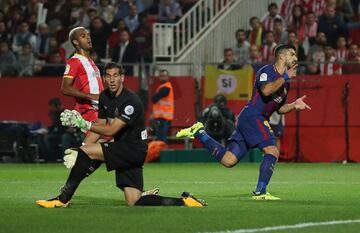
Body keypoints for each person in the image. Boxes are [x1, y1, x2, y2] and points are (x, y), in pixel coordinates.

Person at [35, 62, 206, 208]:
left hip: (133, 149)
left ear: (122, 78)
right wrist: (82, 148)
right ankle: (185, 201)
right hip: (124, 148)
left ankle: (63, 199)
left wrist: (82, 125)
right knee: (134, 200)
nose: (112, 79)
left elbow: (110, 131)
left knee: (89, 152)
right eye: (108, 76)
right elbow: (101, 126)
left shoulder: (131, 101)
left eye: (116, 75)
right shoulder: (104, 97)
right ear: (104, 78)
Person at [176, 44, 311, 200]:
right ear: (281, 56)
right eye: (292, 54)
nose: (296, 57)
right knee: (272, 150)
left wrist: (294, 105)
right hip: (253, 117)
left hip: (253, 120)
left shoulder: (285, 83)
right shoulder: (267, 71)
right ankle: (260, 192)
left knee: (228, 160)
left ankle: (199, 132)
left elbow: (279, 109)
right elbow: (266, 90)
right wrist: (286, 76)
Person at [61, 26, 104, 127]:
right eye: (83, 36)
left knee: (101, 141)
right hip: (89, 111)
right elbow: (65, 88)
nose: (88, 38)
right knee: (103, 139)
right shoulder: (74, 61)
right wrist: (90, 96)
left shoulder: (91, 61)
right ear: (76, 42)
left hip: (99, 110)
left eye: (88, 35)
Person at [151, 69, 174, 142]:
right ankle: (161, 150)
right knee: (160, 137)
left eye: (164, 76)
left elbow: (154, 99)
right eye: (161, 76)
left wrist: (154, 97)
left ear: (168, 77)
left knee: (161, 137)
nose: (162, 78)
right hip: (161, 117)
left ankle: (162, 151)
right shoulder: (162, 87)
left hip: (163, 117)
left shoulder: (166, 87)